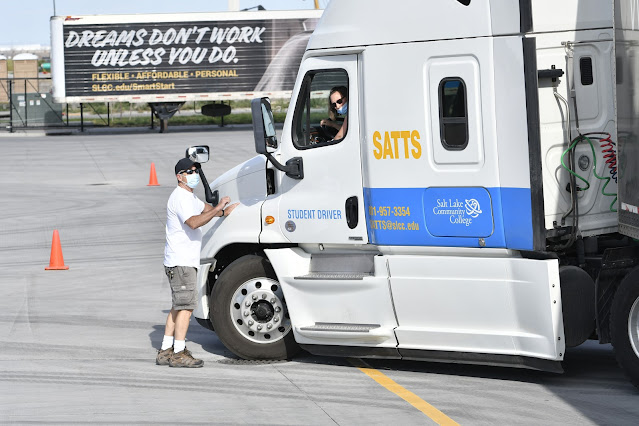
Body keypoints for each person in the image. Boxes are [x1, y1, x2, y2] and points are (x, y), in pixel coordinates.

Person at [156, 157, 239, 368]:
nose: (194, 175)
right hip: (181, 262)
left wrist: (221, 211)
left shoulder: (190, 197)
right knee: (186, 307)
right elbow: (194, 222)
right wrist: (218, 208)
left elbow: (205, 210)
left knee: (177, 306)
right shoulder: (180, 198)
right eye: (190, 172)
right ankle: (179, 353)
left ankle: (166, 350)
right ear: (179, 176)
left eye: (195, 171)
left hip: (180, 260)